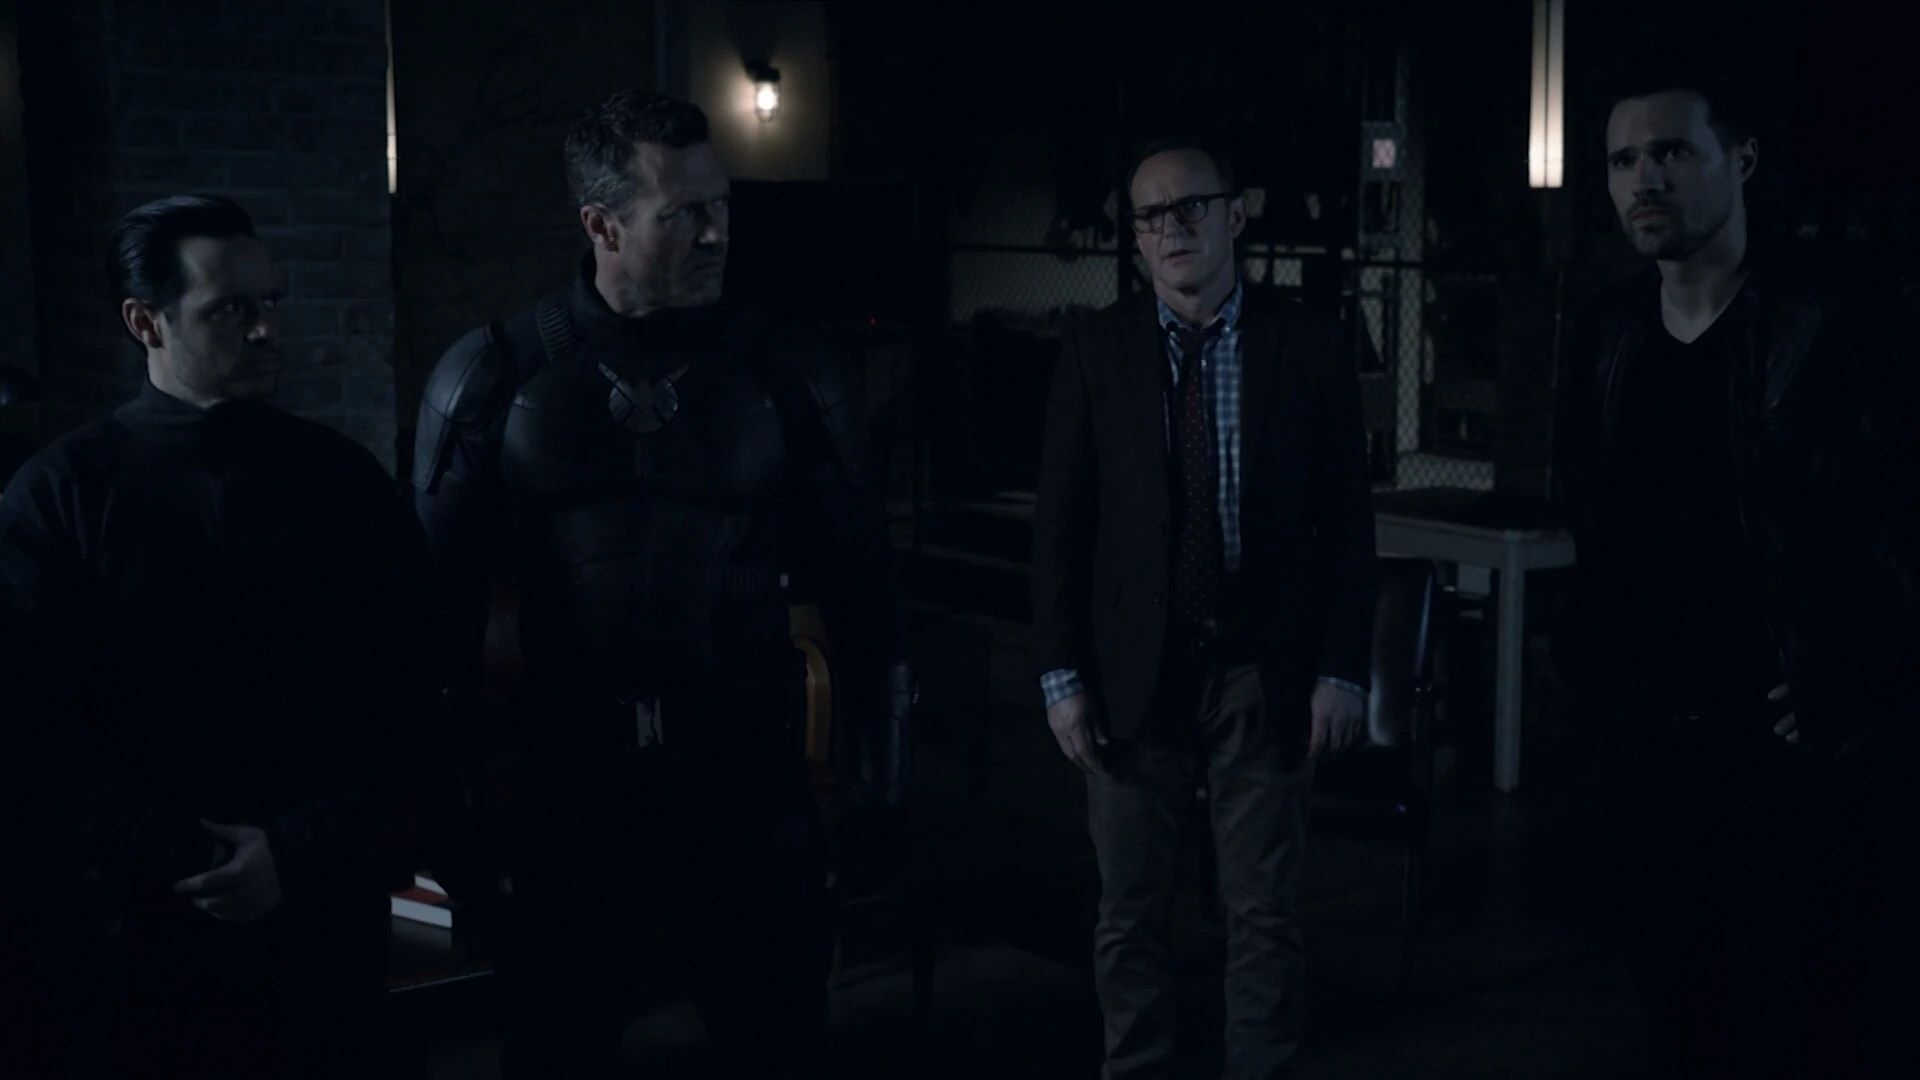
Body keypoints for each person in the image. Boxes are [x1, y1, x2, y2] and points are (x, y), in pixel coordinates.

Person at [411, 89, 907, 1078]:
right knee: (556, 1050)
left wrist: (878, 789)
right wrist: (445, 819)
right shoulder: (494, 379)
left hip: (744, 780)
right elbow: (428, 626)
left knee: (778, 1048)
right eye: (683, 213)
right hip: (568, 787)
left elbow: (867, 595)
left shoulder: (788, 374)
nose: (717, 232)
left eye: (721, 205)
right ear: (601, 224)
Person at [0, 195, 433, 1077]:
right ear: (145, 322)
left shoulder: (341, 480)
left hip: (322, 909)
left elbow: (404, 685)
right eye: (231, 309)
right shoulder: (58, 496)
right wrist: (186, 855)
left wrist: (295, 848)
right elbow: (33, 724)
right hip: (140, 926)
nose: (266, 329)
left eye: (271, 301)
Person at [1552, 77, 1920, 1079]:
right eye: (1624, 160)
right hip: (1644, 750)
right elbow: (1595, 527)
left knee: (1796, 1030)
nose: (1644, 179)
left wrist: (1861, 670)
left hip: (1789, 757)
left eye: (1672, 152)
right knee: (1676, 1020)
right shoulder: (1607, 336)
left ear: (1742, 161)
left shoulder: (1834, 331)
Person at [1030, 138, 1377, 1078]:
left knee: (1264, 911)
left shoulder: (1307, 345)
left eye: (1192, 207)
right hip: (1130, 674)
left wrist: (1342, 669)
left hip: (1262, 666)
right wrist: (1061, 677)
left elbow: (1349, 525)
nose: (1172, 228)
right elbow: (1059, 526)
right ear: (1137, 237)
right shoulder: (1097, 348)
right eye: (1151, 215)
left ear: (1238, 214)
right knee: (1129, 912)